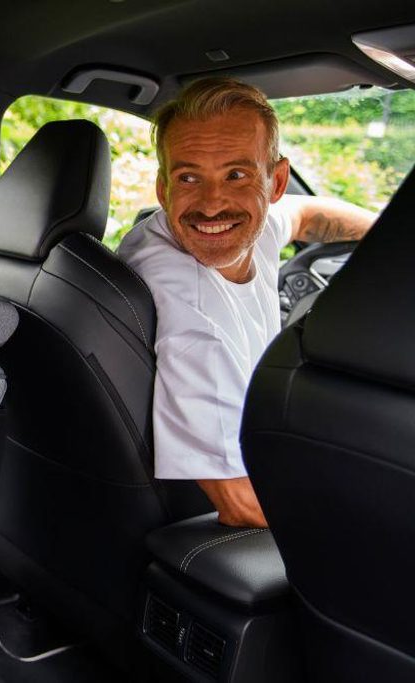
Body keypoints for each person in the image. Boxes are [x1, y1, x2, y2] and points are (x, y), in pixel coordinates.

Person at [117, 77, 377, 528]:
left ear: (277, 181)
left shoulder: (253, 228)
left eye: (236, 175)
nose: (212, 205)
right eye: (189, 177)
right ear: (163, 190)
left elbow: (305, 215)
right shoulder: (195, 320)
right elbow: (241, 503)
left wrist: (390, 234)